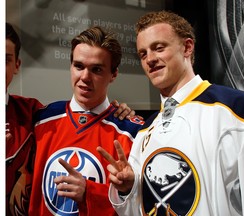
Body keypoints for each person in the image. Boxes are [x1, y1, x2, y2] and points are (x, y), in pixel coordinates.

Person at [97, 10, 244, 215]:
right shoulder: (145, 131)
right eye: (143, 53)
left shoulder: (238, 110)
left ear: (187, 47)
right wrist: (127, 190)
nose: (149, 59)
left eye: (158, 48)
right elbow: (136, 211)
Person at [28, 26, 144, 216]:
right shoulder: (41, 119)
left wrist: (91, 193)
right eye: (79, 66)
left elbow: (142, 205)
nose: (84, 77)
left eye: (96, 69)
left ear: (114, 74)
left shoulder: (131, 132)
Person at [6, 22, 44, 216]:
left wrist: (115, 112)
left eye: (5, 59)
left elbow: (80, 116)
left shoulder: (31, 111)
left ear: (16, 65)